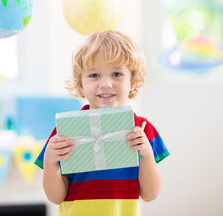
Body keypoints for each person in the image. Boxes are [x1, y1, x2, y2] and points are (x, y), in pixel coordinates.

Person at [34, 30, 169, 216]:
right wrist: (50, 162)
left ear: (133, 81)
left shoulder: (142, 129)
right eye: (94, 75)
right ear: (80, 83)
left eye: (116, 74)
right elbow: (56, 197)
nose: (106, 83)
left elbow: (150, 194)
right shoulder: (65, 131)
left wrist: (146, 154)